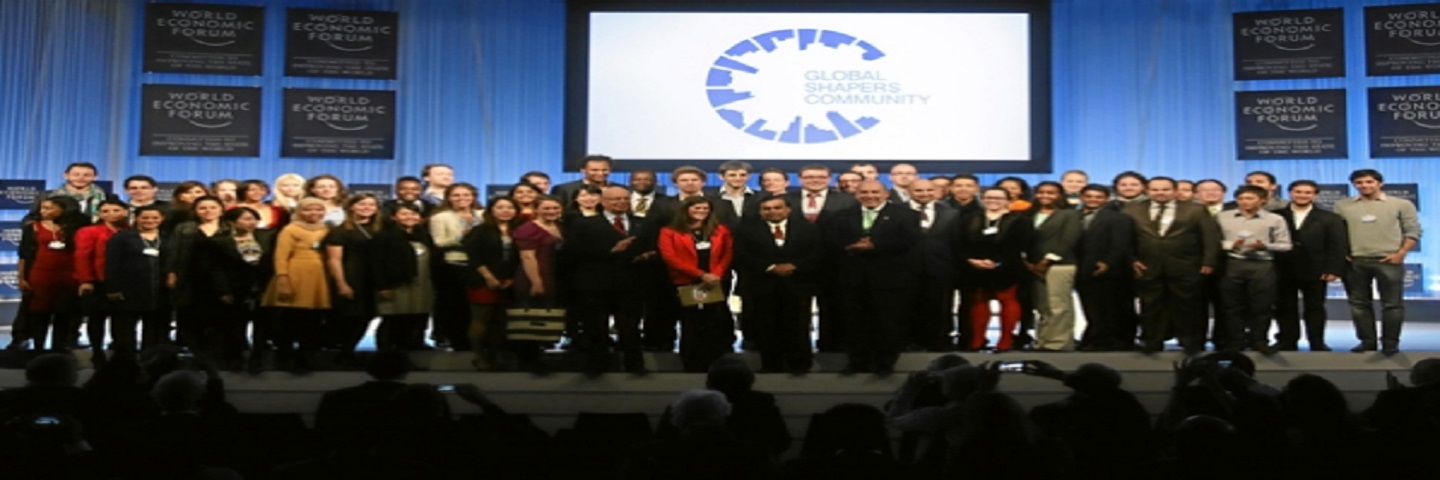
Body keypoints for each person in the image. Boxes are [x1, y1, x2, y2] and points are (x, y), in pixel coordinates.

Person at [826, 180, 921, 375]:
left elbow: (909, 241)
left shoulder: (905, 215)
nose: (870, 196)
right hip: (853, 278)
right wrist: (850, 247)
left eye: (875, 192)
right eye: (864, 192)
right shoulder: (841, 216)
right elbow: (831, 240)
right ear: (857, 195)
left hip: (889, 279)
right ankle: (857, 362)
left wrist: (875, 245)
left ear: (886, 194)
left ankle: (884, 364)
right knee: (854, 323)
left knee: (888, 323)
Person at [1125, 177, 1221, 354]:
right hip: (1147, 266)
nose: (1160, 193)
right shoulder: (1132, 210)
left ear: (1175, 190)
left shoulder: (1196, 209)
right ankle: (1152, 342)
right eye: (1155, 190)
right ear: (1147, 191)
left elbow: (1209, 238)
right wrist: (1131, 260)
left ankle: (1191, 343)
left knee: (1188, 306)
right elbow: (1126, 238)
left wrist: (1209, 262)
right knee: (1151, 306)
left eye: (1165, 189)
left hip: (1187, 266)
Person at [568, 186, 656, 375]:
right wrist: (611, 251)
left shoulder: (642, 223)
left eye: (625, 198)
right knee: (596, 327)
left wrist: (648, 255)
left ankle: (635, 365)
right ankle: (597, 365)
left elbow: (652, 246)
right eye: (615, 199)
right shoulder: (584, 224)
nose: (621, 202)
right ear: (603, 201)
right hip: (596, 284)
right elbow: (572, 252)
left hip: (631, 284)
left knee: (630, 327)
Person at [1334, 169, 1421, 355]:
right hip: (1355, 262)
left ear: (1379, 183)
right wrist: (1342, 253)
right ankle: (1367, 342)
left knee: (1392, 305)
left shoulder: (1401, 204)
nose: (1364, 186)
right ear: (1354, 185)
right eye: (1359, 183)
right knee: (1359, 305)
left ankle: (1390, 343)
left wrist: (1402, 253)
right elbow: (1337, 233)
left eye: (1369, 182)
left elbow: (1413, 231)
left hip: (1388, 260)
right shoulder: (1342, 205)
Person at [736, 195, 820, 375]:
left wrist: (795, 266)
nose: (772, 211)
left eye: (777, 207)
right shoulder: (746, 231)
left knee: (798, 326)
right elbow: (741, 256)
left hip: (798, 285)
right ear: (760, 212)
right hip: (762, 285)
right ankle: (771, 365)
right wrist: (771, 267)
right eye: (767, 208)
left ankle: (800, 365)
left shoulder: (808, 229)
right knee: (766, 327)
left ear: (788, 209)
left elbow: (817, 253)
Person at [658, 196, 736, 372]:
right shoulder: (669, 231)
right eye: (696, 208)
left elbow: (727, 253)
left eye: (704, 209)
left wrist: (716, 274)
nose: (701, 212)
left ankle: (715, 360)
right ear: (686, 210)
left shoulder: (720, 230)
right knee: (690, 322)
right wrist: (700, 274)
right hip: (686, 281)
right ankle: (691, 362)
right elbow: (670, 257)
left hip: (715, 281)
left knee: (714, 321)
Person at [787, 164, 856, 352]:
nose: (815, 180)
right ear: (800, 179)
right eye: (809, 177)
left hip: (835, 264)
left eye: (820, 176)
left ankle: (831, 347)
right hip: (796, 266)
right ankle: (797, 349)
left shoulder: (848, 200)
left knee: (834, 309)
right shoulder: (785, 200)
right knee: (795, 311)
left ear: (830, 179)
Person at [1215, 186, 1291, 353]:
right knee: (1232, 307)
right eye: (1241, 199)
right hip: (1232, 264)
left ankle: (1259, 340)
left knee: (1261, 307)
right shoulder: (1222, 217)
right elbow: (1211, 241)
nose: (1245, 202)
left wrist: (1265, 246)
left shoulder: (1275, 219)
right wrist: (1229, 245)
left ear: (1263, 200)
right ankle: (1236, 341)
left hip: (1263, 266)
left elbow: (1286, 245)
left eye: (1250, 198)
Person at [1273, 180, 1348, 351]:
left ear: (1315, 195)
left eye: (1307, 192)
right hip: (1282, 269)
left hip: (1316, 270)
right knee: (1284, 307)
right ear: (1290, 193)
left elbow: (1337, 245)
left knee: (1314, 308)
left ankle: (1317, 342)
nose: (1302, 195)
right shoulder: (1276, 215)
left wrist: (1333, 269)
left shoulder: (1330, 218)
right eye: (1298, 191)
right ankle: (1287, 341)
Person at [260, 198, 332, 374]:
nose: (314, 213)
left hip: (319, 276)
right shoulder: (290, 229)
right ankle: (285, 357)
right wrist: (283, 278)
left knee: (313, 322)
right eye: (308, 210)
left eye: (318, 209)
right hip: (295, 274)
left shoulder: (328, 229)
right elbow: (281, 256)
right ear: (300, 211)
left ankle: (306, 357)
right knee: (290, 320)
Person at [958, 187, 1034, 352]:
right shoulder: (969, 219)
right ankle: (977, 340)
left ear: (1008, 200)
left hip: (1007, 268)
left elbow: (1020, 245)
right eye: (989, 197)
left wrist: (998, 263)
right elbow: (960, 242)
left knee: (1008, 301)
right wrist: (971, 260)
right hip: (974, 268)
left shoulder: (1020, 221)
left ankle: (1005, 340)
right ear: (982, 199)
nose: (993, 200)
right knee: (978, 302)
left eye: (999, 197)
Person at [202, 207, 275, 372]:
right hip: (235, 287)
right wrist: (223, 290)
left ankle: (258, 358)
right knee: (234, 325)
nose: (251, 223)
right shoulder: (218, 241)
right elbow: (215, 268)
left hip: (264, 287)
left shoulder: (268, 236)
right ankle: (236, 358)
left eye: (253, 219)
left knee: (262, 325)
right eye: (246, 219)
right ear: (231, 222)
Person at [18, 196, 88, 350]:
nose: (43, 211)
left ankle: (59, 348)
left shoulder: (77, 227)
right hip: (41, 274)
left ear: (62, 209)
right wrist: (21, 277)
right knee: (39, 313)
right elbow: (24, 254)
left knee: (64, 313)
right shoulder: (33, 227)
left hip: (69, 275)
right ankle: (38, 347)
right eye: (42, 208)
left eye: (48, 208)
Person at [1073, 185, 1136, 351]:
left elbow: (1121, 244)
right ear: (1082, 197)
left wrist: (1108, 262)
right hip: (1082, 269)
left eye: (1098, 197)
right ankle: (1093, 337)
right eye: (1089, 196)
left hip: (1109, 270)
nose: (1093, 200)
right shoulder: (1074, 216)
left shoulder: (1118, 218)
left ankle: (1105, 341)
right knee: (1090, 307)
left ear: (1106, 199)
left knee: (1108, 307)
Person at [463, 197, 521, 370]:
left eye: (510, 207)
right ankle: (479, 356)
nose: (505, 211)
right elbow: (474, 257)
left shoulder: (518, 230)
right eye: (500, 207)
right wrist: (489, 277)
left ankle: (496, 355)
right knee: (481, 318)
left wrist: (512, 278)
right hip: (481, 279)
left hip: (509, 281)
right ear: (491, 210)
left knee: (500, 321)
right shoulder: (479, 230)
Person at [165, 195, 228, 351]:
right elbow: (173, 251)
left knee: (219, 316)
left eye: (213, 207)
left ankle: (216, 351)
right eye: (203, 208)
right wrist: (171, 273)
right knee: (188, 315)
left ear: (221, 210)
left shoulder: (229, 228)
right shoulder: (184, 228)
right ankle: (188, 349)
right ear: (195, 211)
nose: (208, 211)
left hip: (221, 279)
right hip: (189, 278)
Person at [370, 203, 436, 352]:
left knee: (414, 320)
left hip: (422, 285)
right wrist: (382, 286)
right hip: (395, 285)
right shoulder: (384, 236)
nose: (409, 217)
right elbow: (376, 263)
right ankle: (386, 355)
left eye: (414, 214)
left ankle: (409, 352)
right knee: (392, 321)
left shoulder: (424, 236)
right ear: (394, 217)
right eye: (404, 214)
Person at [325, 194, 383, 360]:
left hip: (372, 279)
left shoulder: (380, 229)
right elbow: (334, 259)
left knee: (368, 315)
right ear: (351, 207)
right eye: (362, 204)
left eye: (371, 205)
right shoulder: (341, 231)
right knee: (350, 316)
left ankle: (348, 350)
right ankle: (342, 352)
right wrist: (342, 284)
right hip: (351, 276)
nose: (367, 207)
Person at [511, 196, 566, 372]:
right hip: (533, 277)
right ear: (536, 209)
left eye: (555, 208)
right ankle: (528, 360)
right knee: (531, 320)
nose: (552, 212)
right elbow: (527, 257)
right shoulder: (528, 229)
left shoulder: (559, 226)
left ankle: (541, 356)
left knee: (545, 319)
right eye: (547, 209)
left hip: (553, 276)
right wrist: (536, 282)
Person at [905, 179, 960, 352]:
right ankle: (909, 341)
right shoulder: (896, 212)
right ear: (909, 192)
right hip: (906, 269)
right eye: (919, 190)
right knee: (908, 307)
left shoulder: (952, 214)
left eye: (929, 190)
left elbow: (956, 242)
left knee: (940, 307)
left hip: (940, 269)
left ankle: (938, 342)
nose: (925, 194)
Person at [105, 205, 170, 352]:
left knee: (154, 329)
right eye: (145, 217)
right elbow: (112, 263)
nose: (150, 221)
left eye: (155, 218)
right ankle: (127, 361)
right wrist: (113, 288)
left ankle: (150, 360)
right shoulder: (122, 237)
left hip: (159, 291)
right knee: (125, 329)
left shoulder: (167, 237)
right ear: (137, 218)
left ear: (162, 219)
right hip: (129, 290)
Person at [1026, 181, 1082, 351]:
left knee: (1058, 305)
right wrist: (1028, 263)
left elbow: (1069, 239)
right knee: (1042, 306)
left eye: (1051, 193)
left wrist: (1047, 261)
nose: (1046, 196)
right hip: (1033, 266)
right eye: (1041, 192)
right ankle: (1042, 341)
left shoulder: (1069, 214)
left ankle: (1059, 343)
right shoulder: (1029, 215)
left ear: (1060, 195)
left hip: (1060, 264)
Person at [429, 183, 485, 351]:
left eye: (466, 195)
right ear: (448, 198)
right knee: (455, 307)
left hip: (479, 266)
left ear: (473, 196)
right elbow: (439, 242)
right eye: (456, 195)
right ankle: (457, 342)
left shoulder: (483, 215)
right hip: (453, 266)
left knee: (477, 308)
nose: (462, 199)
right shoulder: (440, 217)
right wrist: (462, 237)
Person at [74, 200, 129, 361]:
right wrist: (86, 280)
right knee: (97, 318)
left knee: (121, 320)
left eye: (116, 210)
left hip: (124, 282)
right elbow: (82, 257)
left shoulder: (131, 231)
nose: (111, 214)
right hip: (97, 281)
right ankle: (97, 351)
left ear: (125, 212)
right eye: (105, 211)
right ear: (99, 214)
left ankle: (120, 352)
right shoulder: (88, 231)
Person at [37, 162, 117, 222]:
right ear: (66, 176)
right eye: (76, 174)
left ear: (95, 177)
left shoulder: (108, 197)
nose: (81, 178)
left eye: (86, 175)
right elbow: (33, 218)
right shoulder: (47, 196)